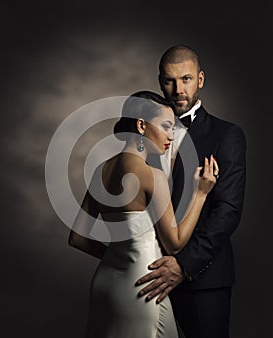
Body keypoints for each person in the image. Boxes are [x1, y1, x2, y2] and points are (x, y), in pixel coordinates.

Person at [68, 90, 219, 338]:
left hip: (106, 284)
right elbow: (175, 244)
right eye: (166, 126)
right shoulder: (152, 176)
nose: (171, 135)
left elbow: (77, 238)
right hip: (143, 286)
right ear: (141, 125)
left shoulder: (101, 171)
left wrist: (118, 258)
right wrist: (201, 194)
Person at [136, 45, 247, 338]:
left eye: (185, 79)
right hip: (148, 272)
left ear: (200, 79)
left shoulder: (226, 135)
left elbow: (228, 211)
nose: (177, 89)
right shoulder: (144, 132)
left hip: (203, 279)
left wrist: (182, 266)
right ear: (160, 81)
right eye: (169, 81)